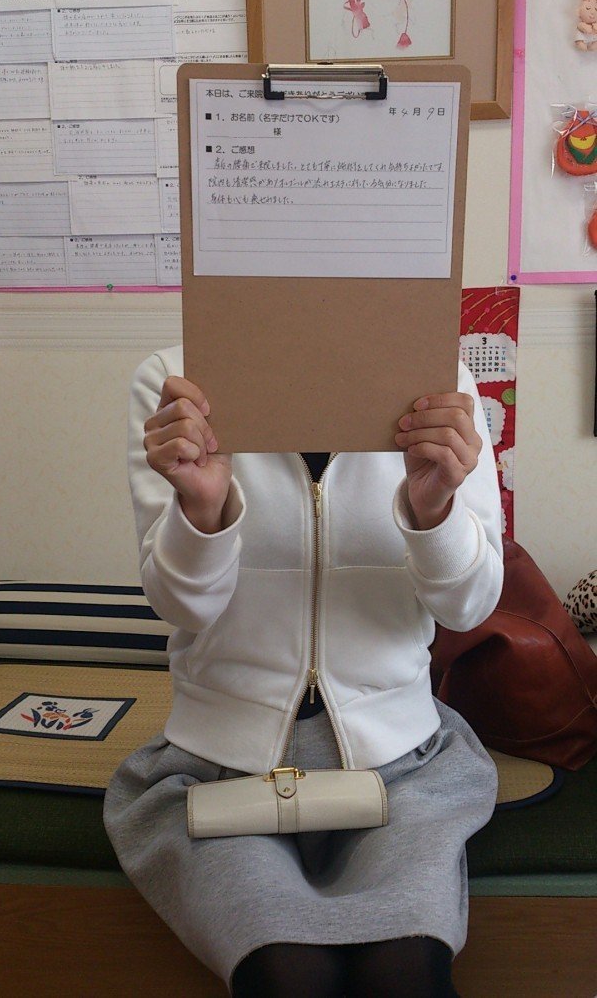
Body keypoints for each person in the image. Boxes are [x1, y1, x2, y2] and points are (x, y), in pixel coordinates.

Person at [103, 344, 504, 997]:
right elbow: (181, 606)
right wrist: (203, 510)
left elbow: (470, 606)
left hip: (400, 767)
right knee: (285, 975)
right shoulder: (177, 380)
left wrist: (433, 511)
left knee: (405, 975)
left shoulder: (437, 380)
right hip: (217, 767)